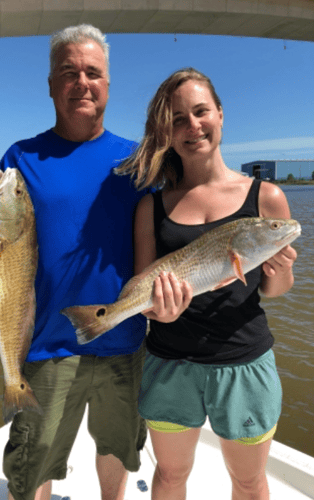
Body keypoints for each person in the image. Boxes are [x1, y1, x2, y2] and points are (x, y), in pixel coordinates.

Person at [0, 24, 148, 500]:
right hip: (45, 345)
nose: (81, 82)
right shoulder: (20, 159)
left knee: (118, 447)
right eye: (68, 72)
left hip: (121, 339)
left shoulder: (137, 162)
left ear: (107, 84)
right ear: (50, 85)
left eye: (92, 72)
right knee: (34, 462)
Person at [117, 67, 297, 500]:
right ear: (167, 131)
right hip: (169, 362)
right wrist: (157, 309)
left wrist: (281, 272)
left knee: (250, 481)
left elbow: (274, 291)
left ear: (220, 113)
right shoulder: (151, 206)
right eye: (178, 118)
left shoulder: (266, 197)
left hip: (244, 362)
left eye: (201, 112)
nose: (192, 126)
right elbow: (143, 290)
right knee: (169, 478)